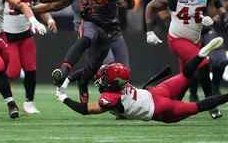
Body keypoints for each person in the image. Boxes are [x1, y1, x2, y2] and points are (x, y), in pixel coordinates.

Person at [33, 0, 135, 103]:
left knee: (124, 72)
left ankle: (106, 97)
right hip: (90, 24)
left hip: (112, 30)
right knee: (105, 64)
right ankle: (66, 71)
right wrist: (32, 1)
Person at [55, 37, 228, 123]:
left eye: (104, 77)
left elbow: (85, 110)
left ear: (113, 83)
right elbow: (90, 74)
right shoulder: (119, 81)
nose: (100, 79)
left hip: (159, 109)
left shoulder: (110, 97)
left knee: (197, 106)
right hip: (156, 92)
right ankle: (199, 56)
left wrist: (64, 98)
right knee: (185, 75)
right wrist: (69, 79)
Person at [145, 0, 225, 119]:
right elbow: (150, 6)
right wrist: (149, 31)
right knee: (203, 62)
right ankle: (212, 106)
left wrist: (214, 18)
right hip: (177, 39)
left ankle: (172, 106)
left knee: (185, 77)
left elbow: (218, 6)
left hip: (194, 40)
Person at [3, 0, 57, 114]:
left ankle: (29, 102)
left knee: (30, 69)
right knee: (12, 72)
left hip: (26, 34)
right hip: (8, 36)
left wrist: (50, 19)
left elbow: (40, 8)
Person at [187, 0, 228, 119]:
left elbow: (216, 3)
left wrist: (220, 15)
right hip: (189, 30)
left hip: (206, 27)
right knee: (195, 65)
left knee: (220, 59)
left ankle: (215, 87)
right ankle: (193, 93)